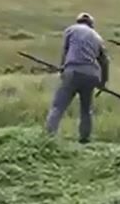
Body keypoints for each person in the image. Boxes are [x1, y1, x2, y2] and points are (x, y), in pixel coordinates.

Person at [45, 12, 109, 144]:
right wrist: (103, 82)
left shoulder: (71, 30)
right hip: (91, 74)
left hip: (73, 71)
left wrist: (63, 68)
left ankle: (48, 137)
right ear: (91, 24)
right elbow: (104, 61)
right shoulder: (97, 37)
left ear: (78, 21)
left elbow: (66, 51)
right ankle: (85, 140)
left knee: (58, 106)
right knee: (86, 110)